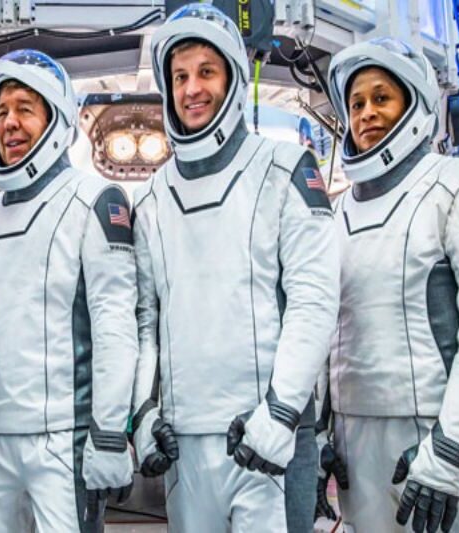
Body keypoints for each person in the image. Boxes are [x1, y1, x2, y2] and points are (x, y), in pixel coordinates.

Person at [130, 4, 339, 532]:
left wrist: (282, 413)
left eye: (206, 72)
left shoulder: (285, 169)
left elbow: (313, 301)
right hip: (183, 445)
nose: (191, 89)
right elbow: (145, 324)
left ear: (233, 77)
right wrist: (143, 414)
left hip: (266, 439)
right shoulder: (151, 196)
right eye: (180, 76)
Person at [0, 49, 138, 532]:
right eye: (2, 111)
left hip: (65, 441)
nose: (9, 123)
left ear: (57, 119)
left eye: (24, 109)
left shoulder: (94, 200)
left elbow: (115, 327)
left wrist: (108, 433)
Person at [323, 37, 459, 533]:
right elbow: (319, 327)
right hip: (354, 444)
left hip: (440, 439)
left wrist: (449, 448)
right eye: (356, 104)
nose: (366, 113)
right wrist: (318, 436)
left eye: (381, 98)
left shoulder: (458, 184)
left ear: (413, 104)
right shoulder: (335, 213)